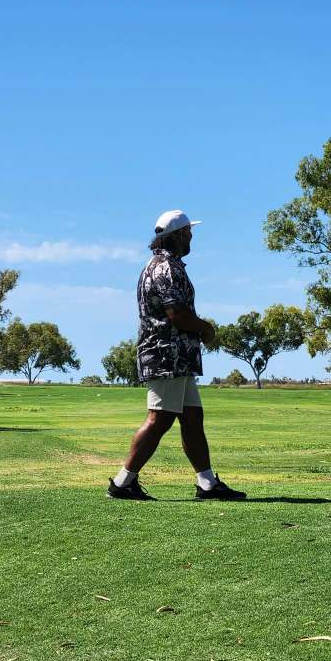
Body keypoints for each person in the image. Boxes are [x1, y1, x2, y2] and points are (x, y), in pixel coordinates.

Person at [107, 209, 246, 501]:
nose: (192, 236)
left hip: (176, 356)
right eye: (189, 232)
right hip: (167, 355)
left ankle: (207, 483)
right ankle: (122, 483)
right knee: (159, 419)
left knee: (192, 417)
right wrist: (206, 328)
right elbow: (177, 314)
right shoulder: (166, 269)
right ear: (180, 234)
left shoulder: (161, 265)